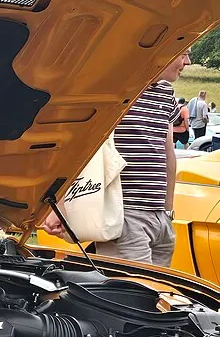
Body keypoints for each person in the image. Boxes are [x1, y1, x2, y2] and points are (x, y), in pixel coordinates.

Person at [81, 49, 190, 266]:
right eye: (183, 53)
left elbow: (167, 152)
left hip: (160, 216)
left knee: (156, 293)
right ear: (163, 52)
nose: (188, 61)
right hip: (127, 214)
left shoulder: (166, 93)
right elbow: (84, 146)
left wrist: (167, 212)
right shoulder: (116, 88)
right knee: (132, 294)